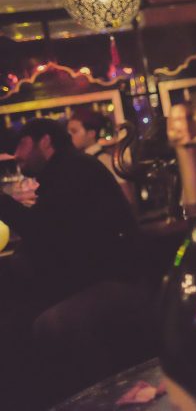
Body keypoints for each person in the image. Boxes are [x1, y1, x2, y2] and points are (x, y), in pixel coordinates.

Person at [0, 119, 148, 406]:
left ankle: (93, 399)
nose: (16, 154)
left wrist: (3, 204)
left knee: (44, 324)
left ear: (45, 141)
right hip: (94, 278)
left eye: (22, 144)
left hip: (116, 281)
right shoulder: (65, 171)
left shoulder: (74, 171)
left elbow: (45, 233)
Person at [67, 108, 136, 206]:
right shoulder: (83, 160)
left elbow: (127, 197)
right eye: (68, 132)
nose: (69, 136)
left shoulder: (105, 160)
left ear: (91, 133)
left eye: (74, 131)